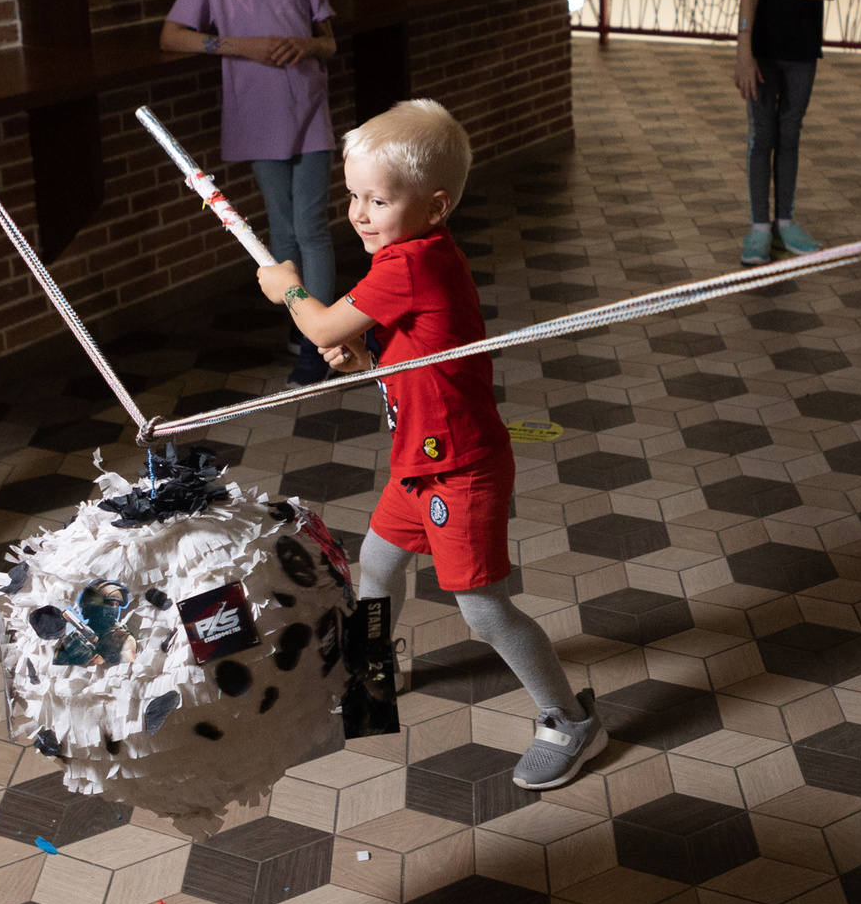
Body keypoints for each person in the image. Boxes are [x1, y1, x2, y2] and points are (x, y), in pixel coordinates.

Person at [258, 101, 606, 790]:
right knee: (379, 564)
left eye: (378, 199)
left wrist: (288, 285)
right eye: (353, 194)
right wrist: (365, 364)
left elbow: (324, 325)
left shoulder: (408, 263)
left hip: (461, 472)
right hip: (420, 464)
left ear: (435, 205)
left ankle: (570, 720)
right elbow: (412, 362)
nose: (358, 212)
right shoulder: (411, 257)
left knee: (483, 609)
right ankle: (374, 673)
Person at [158, 0, 339, 386]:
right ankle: (301, 325)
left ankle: (322, 337)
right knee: (280, 231)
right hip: (259, 119)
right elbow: (172, 37)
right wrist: (243, 46)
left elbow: (329, 42)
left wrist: (306, 45)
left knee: (311, 225)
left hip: (309, 113)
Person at [734, 0, 840, 266]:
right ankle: (760, 226)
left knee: (790, 132)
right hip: (761, 50)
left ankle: (787, 221)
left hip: (800, 50)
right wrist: (742, 46)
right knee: (763, 135)